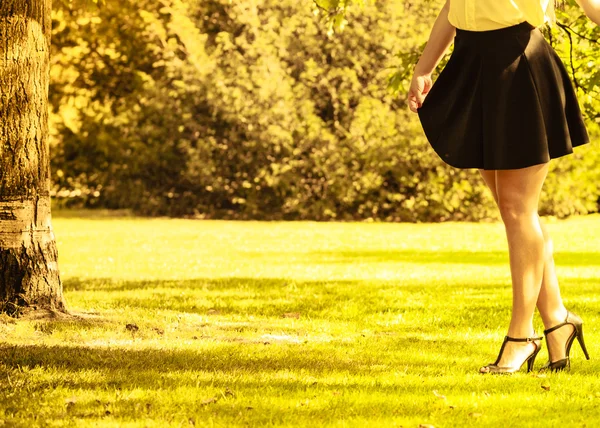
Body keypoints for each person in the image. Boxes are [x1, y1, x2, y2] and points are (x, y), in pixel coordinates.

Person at [407, 0, 600, 374]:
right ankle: (558, 320)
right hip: (473, 66)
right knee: (514, 209)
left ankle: (521, 336)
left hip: (518, 64)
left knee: (516, 207)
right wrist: (423, 67)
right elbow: (452, 7)